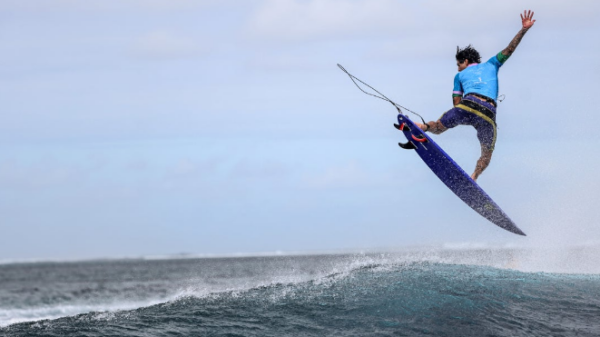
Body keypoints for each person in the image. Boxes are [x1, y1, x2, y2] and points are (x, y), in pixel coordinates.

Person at [416, 10, 536, 181]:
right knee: (487, 153)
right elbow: (510, 49)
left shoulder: (459, 76)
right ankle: (474, 176)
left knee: (438, 127)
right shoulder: (493, 64)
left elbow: (457, 104)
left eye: (459, 64)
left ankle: (423, 127)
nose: (458, 68)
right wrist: (524, 30)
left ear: (465, 61)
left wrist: (456, 119)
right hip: (488, 113)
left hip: (467, 105)